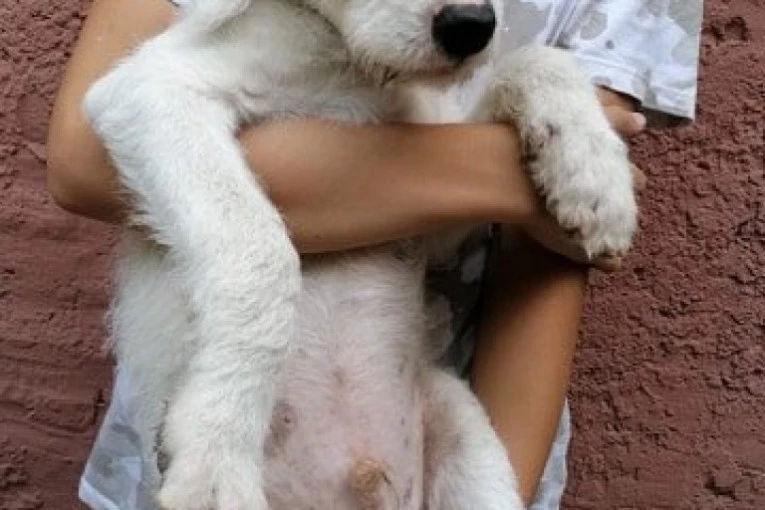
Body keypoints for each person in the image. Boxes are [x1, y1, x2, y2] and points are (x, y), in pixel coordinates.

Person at [46, 0, 702, 508]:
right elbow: (119, 117)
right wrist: (506, 175)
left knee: (453, 415)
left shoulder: (423, 76)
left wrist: (539, 87)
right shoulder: (252, 33)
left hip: (417, 439)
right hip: (225, 447)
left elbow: (466, 237)